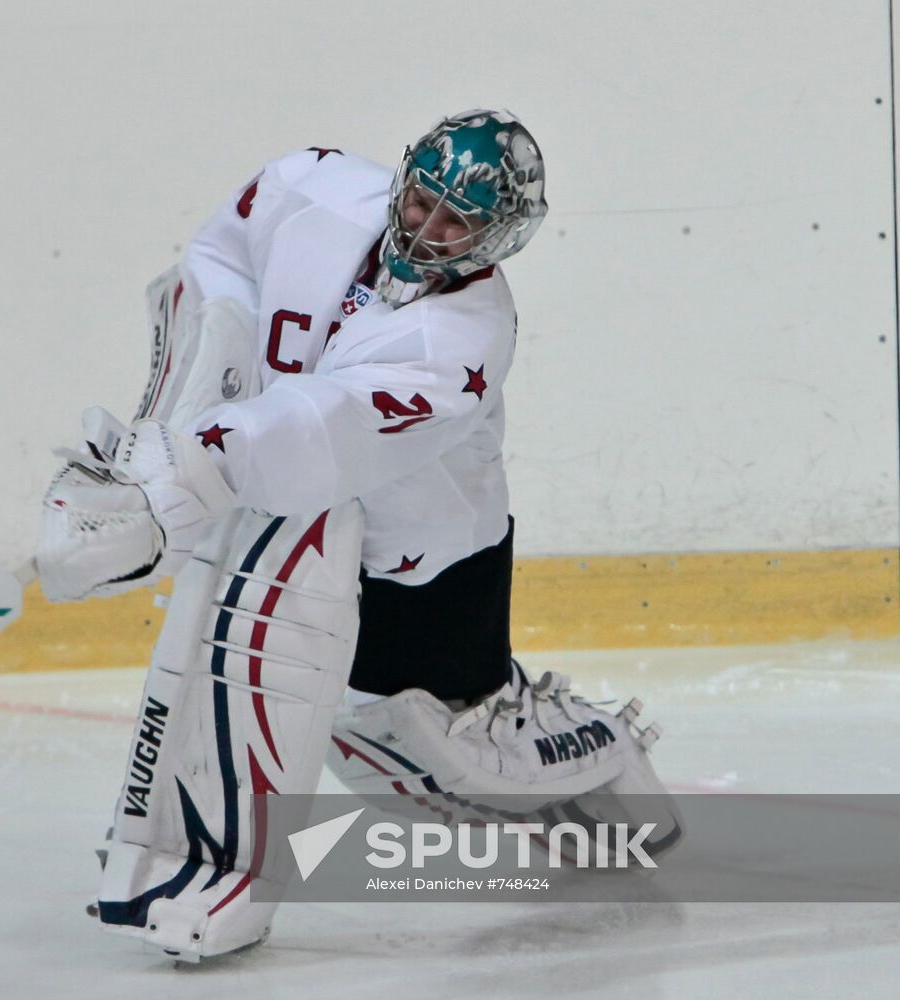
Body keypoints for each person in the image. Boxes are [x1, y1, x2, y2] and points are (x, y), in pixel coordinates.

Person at [35, 109, 677, 961]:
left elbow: (320, 429)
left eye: (458, 222)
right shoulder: (312, 184)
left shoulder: (460, 341)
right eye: (420, 201)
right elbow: (218, 261)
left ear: (502, 237)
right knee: (219, 661)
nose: (426, 228)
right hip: (289, 498)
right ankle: (191, 865)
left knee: (433, 753)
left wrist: (176, 485)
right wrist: (171, 428)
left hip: (420, 560)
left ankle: (600, 753)